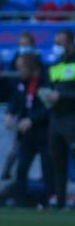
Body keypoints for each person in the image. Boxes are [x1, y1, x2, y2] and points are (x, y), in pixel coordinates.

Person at [4, 53, 51, 207]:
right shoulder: (22, 83)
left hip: (44, 132)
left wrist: (32, 119)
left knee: (47, 169)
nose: (20, 71)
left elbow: (49, 108)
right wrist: (10, 113)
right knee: (22, 167)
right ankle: (20, 202)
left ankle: (47, 202)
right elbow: (16, 101)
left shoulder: (47, 80)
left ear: (32, 67)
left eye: (22, 67)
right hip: (26, 134)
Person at [45, 28, 75, 209]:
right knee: (57, 161)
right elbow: (52, 85)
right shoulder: (56, 64)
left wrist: (62, 96)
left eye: (61, 42)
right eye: (56, 43)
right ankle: (60, 201)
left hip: (72, 116)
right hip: (56, 117)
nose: (58, 46)